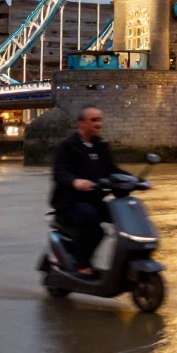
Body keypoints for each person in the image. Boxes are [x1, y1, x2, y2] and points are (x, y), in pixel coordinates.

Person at [50, 107, 129, 277]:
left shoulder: (100, 146)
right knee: (91, 221)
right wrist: (75, 181)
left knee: (124, 215)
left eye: (99, 120)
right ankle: (81, 262)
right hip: (70, 202)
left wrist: (135, 180)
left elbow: (112, 170)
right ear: (82, 123)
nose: (98, 124)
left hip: (94, 200)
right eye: (93, 120)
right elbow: (60, 172)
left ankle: (125, 262)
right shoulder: (69, 146)